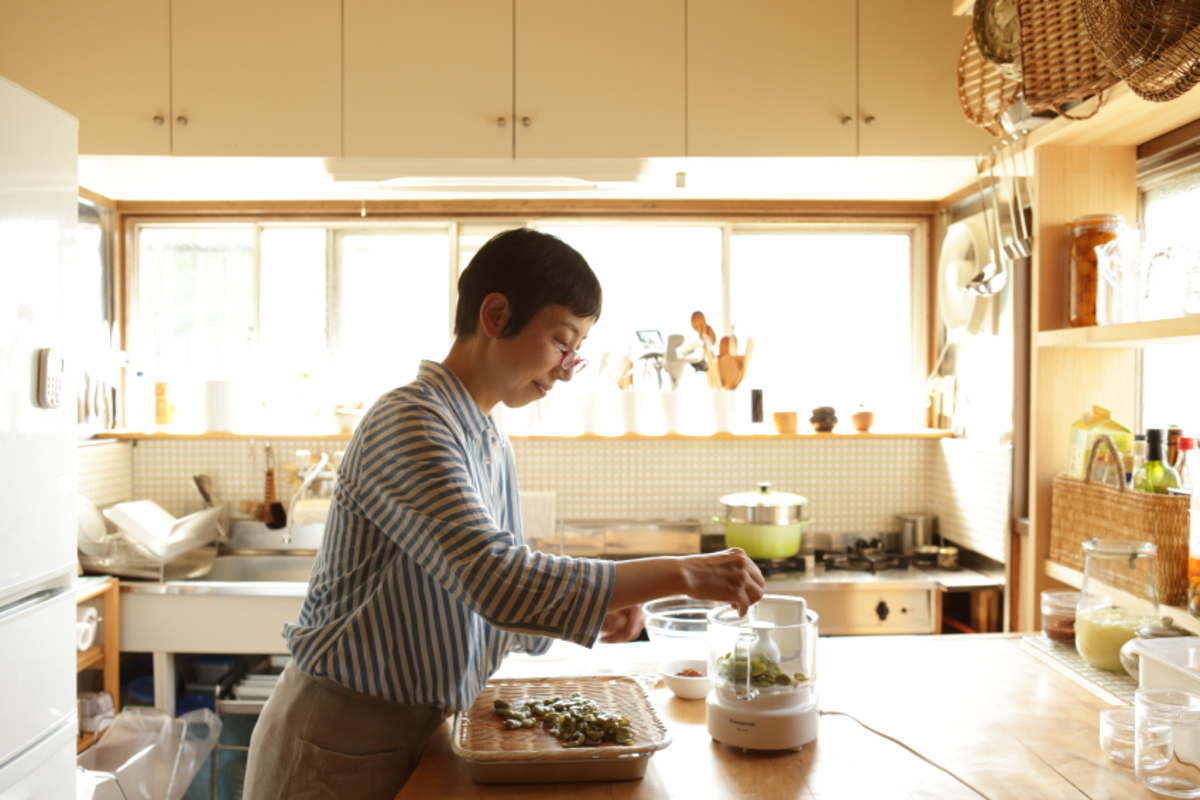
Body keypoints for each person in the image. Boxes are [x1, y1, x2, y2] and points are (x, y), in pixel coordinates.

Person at [243, 228, 765, 800]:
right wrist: (683, 572)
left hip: (426, 726)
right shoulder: (410, 422)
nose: (568, 367)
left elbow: (494, 601)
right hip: (340, 737)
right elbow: (498, 581)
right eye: (562, 341)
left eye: (577, 349)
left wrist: (596, 612)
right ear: (495, 315)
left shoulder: (487, 435)